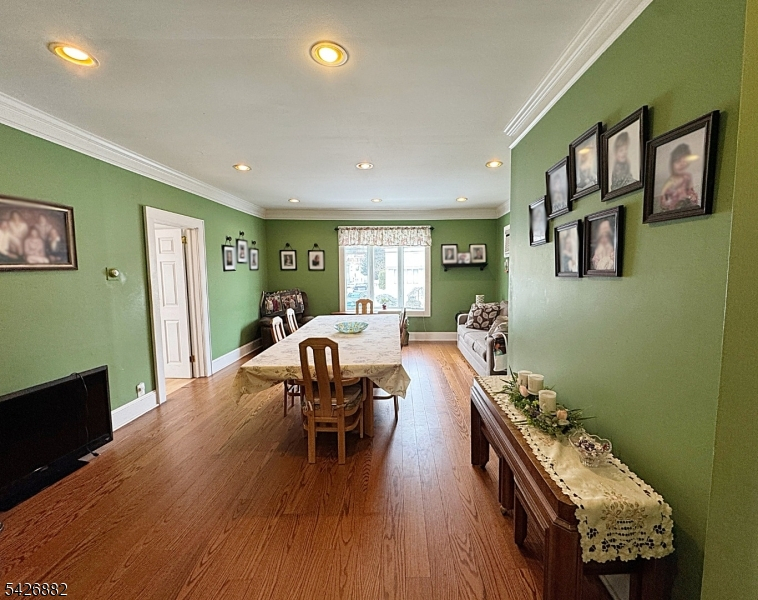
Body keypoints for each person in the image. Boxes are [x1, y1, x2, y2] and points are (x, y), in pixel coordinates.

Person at [659, 143, 699, 211]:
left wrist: (692, 197)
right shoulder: (668, 183)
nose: (682, 165)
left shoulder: (687, 177)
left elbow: (692, 197)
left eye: (685, 162)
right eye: (679, 161)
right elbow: (663, 204)